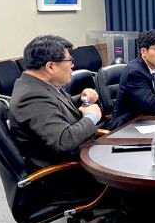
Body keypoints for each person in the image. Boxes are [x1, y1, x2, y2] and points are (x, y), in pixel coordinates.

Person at [9, 35, 102, 173]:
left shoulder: (37, 84)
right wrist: (91, 117)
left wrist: (80, 99)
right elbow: (63, 141)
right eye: (69, 61)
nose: (72, 66)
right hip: (67, 175)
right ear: (50, 66)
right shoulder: (31, 97)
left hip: (81, 158)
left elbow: (54, 107)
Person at [109, 30, 155, 130]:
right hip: (126, 126)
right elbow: (151, 105)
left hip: (146, 121)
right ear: (144, 52)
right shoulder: (134, 72)